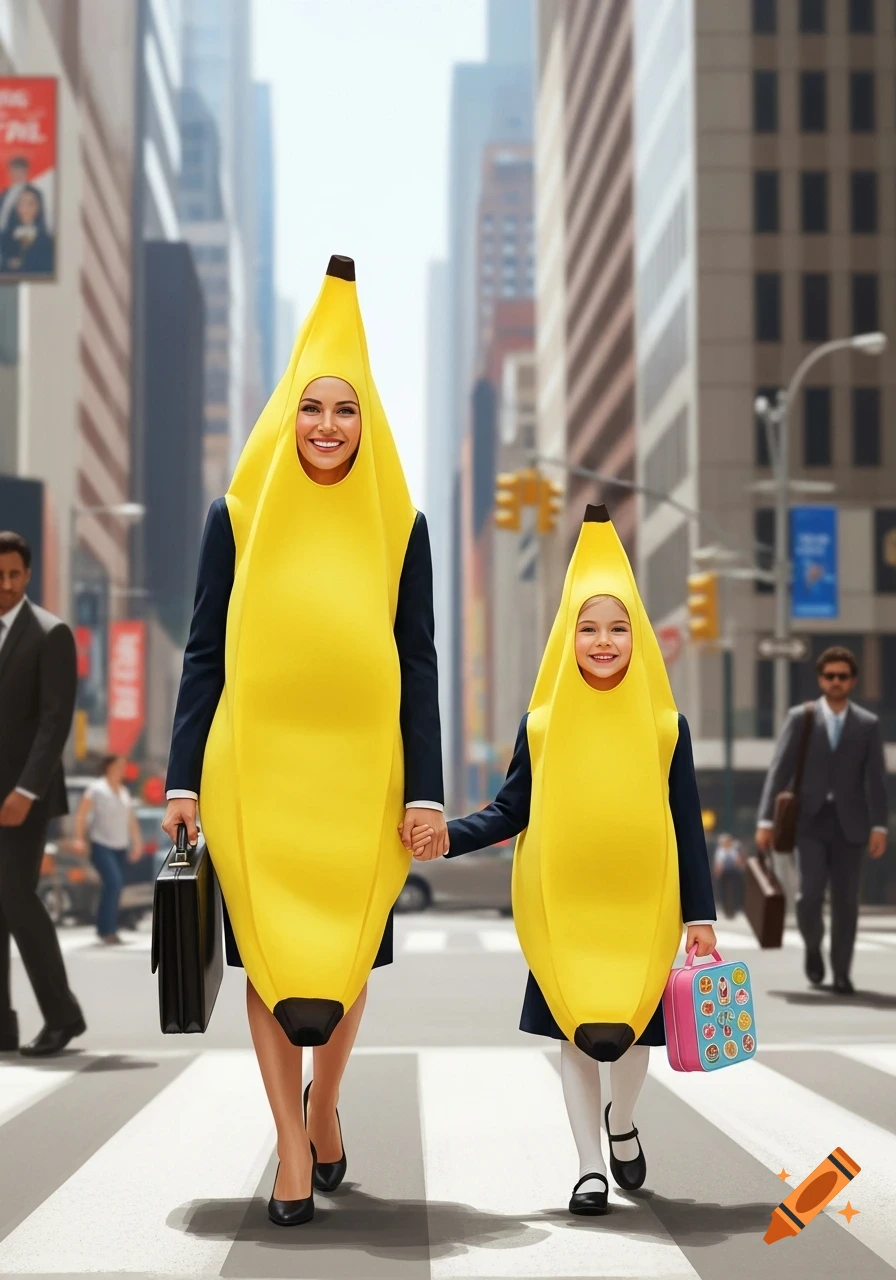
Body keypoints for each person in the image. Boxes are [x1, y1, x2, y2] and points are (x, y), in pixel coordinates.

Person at [162, 255, 445, 1227]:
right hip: (257, 778)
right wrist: (182, 777)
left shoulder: (401, 526)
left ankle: (327, 1101)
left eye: (346, 408)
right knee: (270, 964)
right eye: (313, 407)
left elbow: (419, 665)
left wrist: (427, 790)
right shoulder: (233, 516)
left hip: (366, 783)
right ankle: (291, 1142)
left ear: (368, 420)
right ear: (288, 415)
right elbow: (204, 651)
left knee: (347, 959)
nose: (327, 425)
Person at [413, 505, 716, 1217]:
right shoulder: (540, 727)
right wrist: (446, 837)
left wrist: (699, 914)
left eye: (617, 628)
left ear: (637, 638)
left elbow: (687, 827)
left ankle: (623, 1119)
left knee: (632, 1031)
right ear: (567, 638)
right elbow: (510, 810)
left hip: (645, 909)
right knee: (578, 1032)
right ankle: (588, 1167)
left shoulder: (666, 728)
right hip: (565, 909)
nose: (603, 641)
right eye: (588, 628)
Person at [756, 646, 888, 995]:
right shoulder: (802, 718)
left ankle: (841, 972)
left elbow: (876, 779)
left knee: (846, 900)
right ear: (820, 679)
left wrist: (879, 826)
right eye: (829, 676)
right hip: (808, 822)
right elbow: (779, 769)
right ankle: (813, 948)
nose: (835, 682)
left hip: (852, 824)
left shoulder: (867, 724)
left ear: (853, 681)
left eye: (842, 676)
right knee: (808, 896)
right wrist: (765, 821)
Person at [0, 530, 85, 1057]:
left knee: (16, 897)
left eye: (13, 574)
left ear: (27, 575)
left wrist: (26, 790)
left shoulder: (51, 634)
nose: (5, 584)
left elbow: (55, 723)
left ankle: (62, 1015)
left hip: (24, 799)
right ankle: (3, 1025)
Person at [73, 755, 143, 944]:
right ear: (108, 767)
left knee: (115, 887)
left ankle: (107, 927)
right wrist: (79, 839)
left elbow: (131, 820)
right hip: (101, 844)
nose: (122, 769)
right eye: (118, 765)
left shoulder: (124, 792)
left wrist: (137, 843)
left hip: (120, 846)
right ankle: (107, 930)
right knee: (114, 882)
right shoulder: (96, 789)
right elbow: (81, 814)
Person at [0, 185, 53, 275]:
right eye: (21, 203)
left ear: (38, 208)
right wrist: (8, 263)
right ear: (16, 207)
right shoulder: (4, 237)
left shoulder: (48, 241)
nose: (25, 209)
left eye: (31, 204)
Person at [713, 833, 744, 918]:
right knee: (721, 888)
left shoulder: (734, 850)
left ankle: (737, 906)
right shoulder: (720, 851)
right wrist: (718, 873)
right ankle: (723, 905)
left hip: (733, 873)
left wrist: (739, 865)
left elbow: (738, 861)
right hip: (724, 873)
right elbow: (718, 864)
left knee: (737, 887)